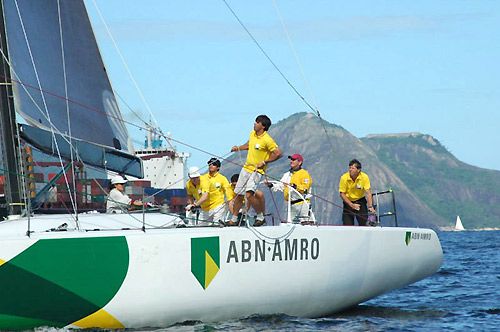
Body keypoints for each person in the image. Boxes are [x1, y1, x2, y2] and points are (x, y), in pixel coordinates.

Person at [229, 115, 282, 226]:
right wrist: (238, 148)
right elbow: (249, 145)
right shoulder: (252, 134)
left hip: (257, 171)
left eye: (257, 122)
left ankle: (260, 216)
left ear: (262, 126)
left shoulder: (267, 139)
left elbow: (278, 153)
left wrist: (265, 161)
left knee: (248, 195)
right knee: (238, 194)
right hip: (246, 168)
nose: (254, 123)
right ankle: (233, 219)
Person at [269, 154, 314, 224]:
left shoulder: (304, 174)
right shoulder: (287, 174)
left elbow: (305, 188)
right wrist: (271, 185)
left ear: (299, 162)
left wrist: (295, 186)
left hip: (302, 204)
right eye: (291, 159)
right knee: (290, 224)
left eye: (293, 160)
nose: (291, 161)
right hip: (291, 205)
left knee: (307, 224)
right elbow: (280, 185)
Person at [338, 159, 376, 226]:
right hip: (348, 202)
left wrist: (370, 206)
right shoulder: (344, 178)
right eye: (349, 168)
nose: (350, 170)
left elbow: (368, 192)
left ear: (358, 170)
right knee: (347, 225)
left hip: (360, 201)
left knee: (363, 223)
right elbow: (342, 193)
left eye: (353, 168)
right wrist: (351, 205)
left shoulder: (364, 177)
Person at [202, 157, 234, 224]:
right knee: (202, 227)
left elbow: (228, 193)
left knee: (217, 225)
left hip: (218, 206)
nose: (211, 165)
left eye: (214, 164)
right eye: (210, 164)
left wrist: (231, 205)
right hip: (205, 208)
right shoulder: (203, 178)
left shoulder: (222, 178)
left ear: (218, 168)